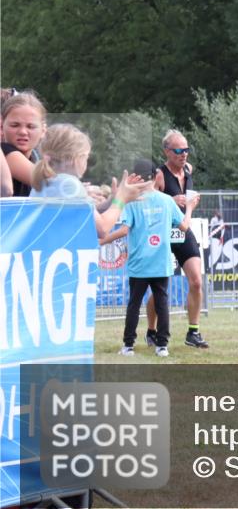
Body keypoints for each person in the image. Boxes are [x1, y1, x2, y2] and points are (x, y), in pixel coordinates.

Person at [103, 159, 199, 358]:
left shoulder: (132, 203)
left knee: (134, 305)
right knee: (162, 304)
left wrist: (102, 240)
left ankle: (128, 346)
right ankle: (162, 346)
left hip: (139, 263)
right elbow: (184, 227)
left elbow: (123, 230)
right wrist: (189, 208)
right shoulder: (166, 201)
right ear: (156, 176)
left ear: (134, 178)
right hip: (161, 262)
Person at [29, 123, 151, 235]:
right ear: (75, 159)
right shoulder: (69, 185)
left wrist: (111, 201)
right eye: (86, 157)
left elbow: (84, 213)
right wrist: (121, 200)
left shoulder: (48, 181)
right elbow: (102, 228)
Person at [149, 130, 210, 350]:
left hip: (183, 230)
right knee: (159, 286)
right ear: (167, 151)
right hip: (162, 232)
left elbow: (188, 201)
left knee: (196, 281)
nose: (183, 154)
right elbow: (148, 201)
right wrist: (171, 200)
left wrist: (192, 202)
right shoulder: (159, 175)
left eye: (186, 150)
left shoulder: (188, 169)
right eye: (178, 150)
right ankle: (151, 330)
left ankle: (193, 331)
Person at [2, 90, 46, 197]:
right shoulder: (3, 152)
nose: (23, 132)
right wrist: (80, 190)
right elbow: (49, 183)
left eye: (31, 126)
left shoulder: (36, 158)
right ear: (1, 126)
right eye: (15, 125)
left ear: (43, 131)